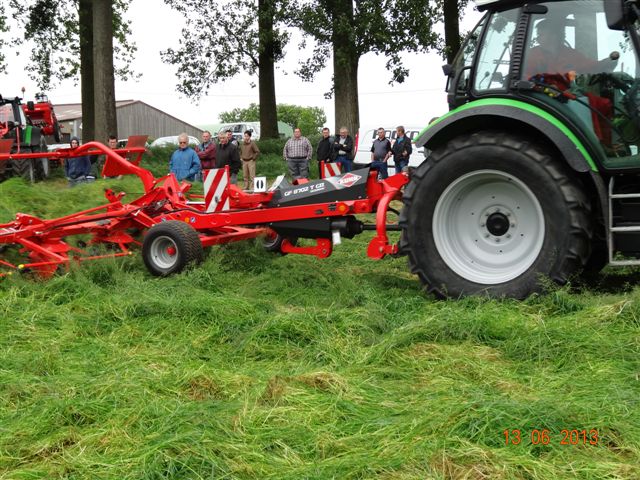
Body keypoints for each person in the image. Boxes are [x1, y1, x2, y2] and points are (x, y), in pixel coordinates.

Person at [525, 19, 619, 84]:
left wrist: (608, 61)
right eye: (539, 34)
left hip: (567, 95)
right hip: (543, 96)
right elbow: (526, 77)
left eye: (541, 34)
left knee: (601, 103)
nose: (538, 38)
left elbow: (589, 65)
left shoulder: (570, 54)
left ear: (553, 35)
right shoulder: (533, 55)